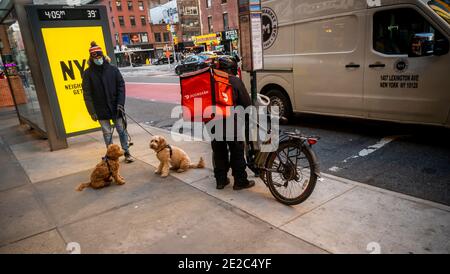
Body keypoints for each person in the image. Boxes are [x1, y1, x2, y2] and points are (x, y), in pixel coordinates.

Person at [82, 41, 134, 163]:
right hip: (100, 109)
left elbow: (121, 86)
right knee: (107, 133)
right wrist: (91, 111)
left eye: (99, 56)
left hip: (116, 107)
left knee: (121, 130)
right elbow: (87, 94)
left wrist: (120, 104)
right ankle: (111, 156)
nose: (98, 59)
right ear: (91, 58)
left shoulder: (113, 70)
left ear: (103, 56)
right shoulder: (88, 74)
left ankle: (126, 152)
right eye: (95, 57)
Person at [210, 56, 255, 190]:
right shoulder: (235, 81)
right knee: (237, 151)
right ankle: (240, 181)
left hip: (213, 123)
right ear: (232, 69)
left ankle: (221, 181)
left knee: (218, 152)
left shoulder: (210, 81)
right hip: (231, 123)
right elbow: (246, 104)